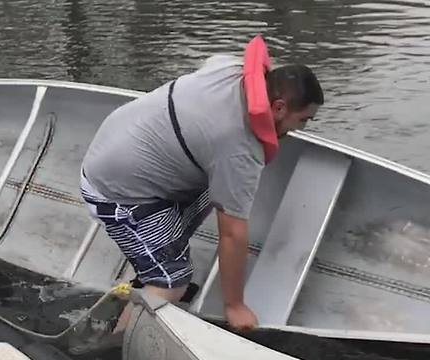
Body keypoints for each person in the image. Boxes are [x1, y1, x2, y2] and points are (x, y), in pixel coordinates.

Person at [80, 35, 324, 335]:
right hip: (117, 192)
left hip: (117, 143)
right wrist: (235, 305)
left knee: (221, 188)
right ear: (279, 106)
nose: (302, 128)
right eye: (304, 120)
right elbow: (232, 233)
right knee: (172, 282)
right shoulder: (238, 149)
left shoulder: (230, 68)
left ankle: (158, 253)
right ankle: (117, 342)